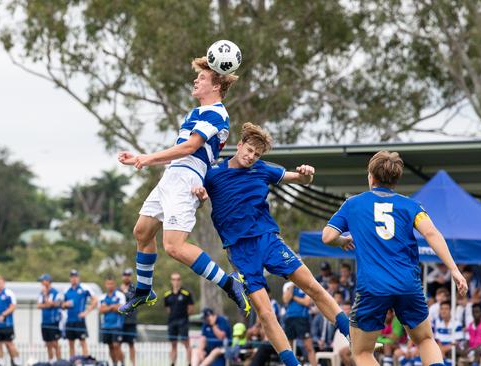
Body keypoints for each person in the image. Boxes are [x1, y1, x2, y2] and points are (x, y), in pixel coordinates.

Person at [191, 122, 351, 366]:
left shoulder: (263, 169)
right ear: (240, 145)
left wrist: (307, 175)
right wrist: (201, 199)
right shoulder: (213, 174)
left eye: (257, 154)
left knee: (312, 285)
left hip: (268, 240)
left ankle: (352, 333)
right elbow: (199, 203)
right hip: (240, 251)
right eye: (249, 151)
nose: (251, 157)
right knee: (266, 314)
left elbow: (299, 179)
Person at [117, 56, 248, 316]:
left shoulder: (217, 113)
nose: (195, 81)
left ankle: (228, 281)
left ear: (216, 86)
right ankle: (144, 291)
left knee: (174, 246)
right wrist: (145, 159)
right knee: (142, 232)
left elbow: (190, 148)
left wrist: (147, 158)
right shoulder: (195, 113)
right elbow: (180, 150)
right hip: (171, 176)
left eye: (201, 78)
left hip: (186, 178)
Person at [322, 150, 468, 366]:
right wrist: (454, 270)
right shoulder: (411, 205)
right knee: (426, 340)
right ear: (396, 180)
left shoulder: (353, 204)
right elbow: (432, 234)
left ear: (370, 176)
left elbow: (328, 236)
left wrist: (343, 241)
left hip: (372, 287)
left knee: (361, 351)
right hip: (407, 285)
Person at [0, 275, 20, 366]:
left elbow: (13, 307)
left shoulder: (9, 293)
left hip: (7, 324)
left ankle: (16, 361)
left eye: (0, 283)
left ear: (4, 283)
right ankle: (0, 362)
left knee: (9, 343)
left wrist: (3, 314)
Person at [63, 269, 97, 357]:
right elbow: (61, 305)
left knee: (83, 342)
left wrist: (86, 312)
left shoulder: (84, 288)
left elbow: (95, 300)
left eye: (75, 277)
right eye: (72, 277)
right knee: (71, 344)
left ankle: (85, 362)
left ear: (78, 278)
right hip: (69, 321)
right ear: (70, 278)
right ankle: (72, 362)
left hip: (79, 320)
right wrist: (65, 305)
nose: (74, 279)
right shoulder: (66, 290)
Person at [283, 282, 317, 366]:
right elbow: (285, 300)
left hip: (302, 319)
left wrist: (293, 297)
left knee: (308, 346)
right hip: (289, 319)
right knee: (288, 347)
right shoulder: (288, 286)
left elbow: (307, 302)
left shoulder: (305, 286)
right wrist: (291, 287)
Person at [164, 272, 194, 366]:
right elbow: (167, 309)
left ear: (180, 281)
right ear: (171, 281)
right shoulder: (167, 295)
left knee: (186, 343)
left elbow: (191, 309)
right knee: (173, 344)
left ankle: (189, 363)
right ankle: (172, 363)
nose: (176, 281)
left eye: (178, 279)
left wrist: (183, 317)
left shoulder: (186, 294)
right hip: (172, 322)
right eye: (174, 279)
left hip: (183, 321)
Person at [99, 277, 126, 366]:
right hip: (106, 325)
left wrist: (109, 307)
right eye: (108, 284)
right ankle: (114, 363)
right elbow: (101, 310)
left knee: (116, 345)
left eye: (111, 284)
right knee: (110, 346)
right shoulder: (102, 296)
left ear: (114, 284)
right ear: (105, 285)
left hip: (116, 325)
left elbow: (121, 308)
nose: (109, 286)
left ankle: (122, 362)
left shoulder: (120, 295)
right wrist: (113, 307)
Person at [37, 273, 62, 363]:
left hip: (53, 321)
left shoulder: (55, 292)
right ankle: (51, 361)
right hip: (45, 321)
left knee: (55, 343)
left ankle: (59, 362)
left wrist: (48, 302)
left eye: (43, 281)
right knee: (48, 343)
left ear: (48, 281)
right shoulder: (42, 293)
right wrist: (47, 304)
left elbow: (55, 303)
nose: (42, 283)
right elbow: (39, 305)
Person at [433, 301, 463, 366]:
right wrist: (440, 349)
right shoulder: (438, 324)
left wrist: (443, 349)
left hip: (453, 348)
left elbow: (457, 342)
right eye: (442, 309)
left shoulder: (457, 324)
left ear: (450, 310)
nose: (443, 311)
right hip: (441, 349)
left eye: (446, 309)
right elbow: (438, 340)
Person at [120, 268, 138, 366]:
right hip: (121, 321)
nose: (126, 277)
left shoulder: (134, 288)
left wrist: (125, 292)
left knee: (131, 344)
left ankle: (133, 364)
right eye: (125, 275)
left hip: (131, 320)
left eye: (128, 275)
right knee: (118, 344)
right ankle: (122, 363)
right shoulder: (118, 289)